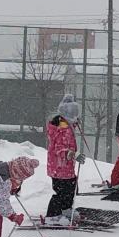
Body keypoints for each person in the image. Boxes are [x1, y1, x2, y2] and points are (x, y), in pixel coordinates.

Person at [45, 94, 83, 224]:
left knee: (71, 186)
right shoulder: (62, 128)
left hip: (66, 166)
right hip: (58, 166)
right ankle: (52, 215)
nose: (75, 117)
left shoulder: (66, 125)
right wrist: (73, 154)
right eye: (73, 114)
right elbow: (59, 148)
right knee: (61, 191)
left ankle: (66, 208)